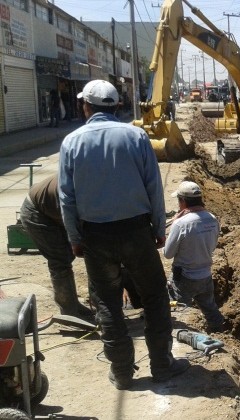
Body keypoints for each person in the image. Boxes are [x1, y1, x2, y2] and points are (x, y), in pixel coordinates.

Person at [58, 79, 189, 390]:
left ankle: (122, 372)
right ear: (116, 107)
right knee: (155, 297)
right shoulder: (136, 136)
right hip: (136, 231)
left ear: (86, 107)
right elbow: (153, 186)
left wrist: (75, 237)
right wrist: (158, 229)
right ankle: (161, 365)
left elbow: (67, 197)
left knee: (107, 303)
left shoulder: (71, 143)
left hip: (96, 236)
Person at [19, 174, 94, 319]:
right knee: (60, 260)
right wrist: (77, 243)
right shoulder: (77, 189)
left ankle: (75, 307)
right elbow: (73, 223)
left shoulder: (98, 183)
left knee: (84, 254)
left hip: (54, 210)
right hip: (36, 212)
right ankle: (70, 313)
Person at [164, 181, 225, 333]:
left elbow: (168, 253)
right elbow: (212, 245)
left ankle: (181, 337)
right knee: (210, 310)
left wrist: (175, 223)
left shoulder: (181, 224)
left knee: (178, 312)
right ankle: (220, 334)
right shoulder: (212, 218)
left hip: (184, 277)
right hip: (205, 275)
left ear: (183, 201)